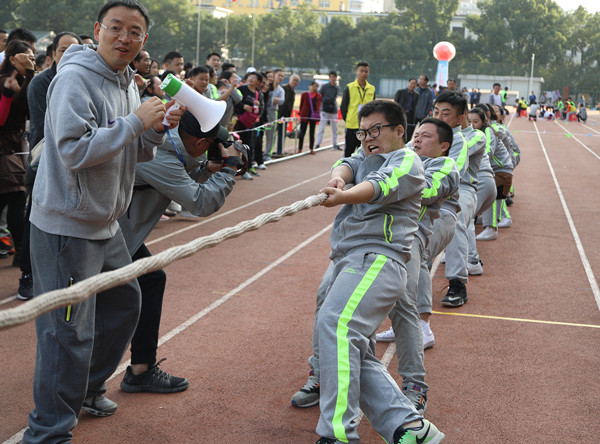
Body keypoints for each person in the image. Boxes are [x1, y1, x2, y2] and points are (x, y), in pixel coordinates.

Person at [23, 1, 183, 442]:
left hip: (106, 222)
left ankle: (87, 388)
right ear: (98, 30)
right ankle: (48, 431)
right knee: (66, 332)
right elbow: (73, 151)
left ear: (144, 39)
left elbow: (135, 151)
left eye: (135, 31)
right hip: (66, 225)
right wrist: (135, 122)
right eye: (116, 28)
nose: (124, 38)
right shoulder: (74, 78)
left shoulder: (128, 82)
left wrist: (152, 129)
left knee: (124, 303)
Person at [312, 99, 444, 444]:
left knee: (337, 325)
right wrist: (338, 180)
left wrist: (343, 197)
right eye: (363, 131)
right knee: (351, 345)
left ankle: (337, 434)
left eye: (376, 130)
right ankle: (408, 428)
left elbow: (381, 185)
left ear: (399, 131)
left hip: (378, 259)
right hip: (351, 260)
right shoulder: (365, 156)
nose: (368, 137)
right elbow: (347, 164)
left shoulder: (407, 161)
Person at [118, 113, 240, 393]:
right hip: (101, 232)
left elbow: (180, 178)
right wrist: (230, 168)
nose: (214, 147)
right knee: (109, 298)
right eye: (212, 143)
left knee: (149, 279)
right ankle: (85, 379)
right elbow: (199, 202)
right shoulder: (160, 153)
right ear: (199, 142)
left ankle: (140, 369)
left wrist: (208, 169)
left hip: (116, 230)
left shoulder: (171, 142)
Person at [376, 118, 460, 415]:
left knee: (409, 282)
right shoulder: (400, 158)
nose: (417, 140)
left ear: (443, 145)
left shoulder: (445, 165)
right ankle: (323, 373)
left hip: (424, 229)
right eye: (415, 135)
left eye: (425, 137)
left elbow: (424, 191)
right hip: (388, 231)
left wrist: (394, 178)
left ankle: (416, 376)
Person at [19, 32, 82, 300]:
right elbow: (50, 127)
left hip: (75, 162)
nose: (69, 53)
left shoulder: (82, 80)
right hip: (43, 160)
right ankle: (27, 274)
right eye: (63, 49)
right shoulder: (40, 83)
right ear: (53, 54)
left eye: (75, 49)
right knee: (36, 218)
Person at [0, 40, 35, 276]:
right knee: (15, 195)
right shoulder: (4, 82)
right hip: (4, 150)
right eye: (26, 56)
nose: (31, 60)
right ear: (13, 59)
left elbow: (33, 107)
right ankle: (22, 252)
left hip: (14, 148)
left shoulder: (21, 82)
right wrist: (8, 95)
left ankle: (22, 252)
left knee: (12, 197)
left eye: (33, 57)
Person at [340, 61, 375, 157]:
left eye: (366, 71)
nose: (364, 73)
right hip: (352, 126)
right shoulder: (349, 87)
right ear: (357, 72)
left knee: (366, 153)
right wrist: (348, 119)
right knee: (349, 152)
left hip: (366, 127)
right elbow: (343, 107)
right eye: (361, 71)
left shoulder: (372, 89)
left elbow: (373, 108)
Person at [316, 71, 340, 150]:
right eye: (331, 77)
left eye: (334, 77)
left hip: (334, 110)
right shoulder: (324, 87)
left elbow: (334, 98)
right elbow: (319, 96)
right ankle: (317, 144)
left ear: (336, 78)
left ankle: (335, 144)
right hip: (324, 110)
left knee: (335, 128)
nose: (332, 78)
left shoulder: (337, 87)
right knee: (321, 127)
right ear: (329, 78)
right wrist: (326, 101)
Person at [277, 73, 299, 156]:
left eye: (297, 81)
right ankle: (276, 151)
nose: (295, 82)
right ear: (290, 80)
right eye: (294, 80)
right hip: (279, 115)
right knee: (277, 134)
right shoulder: (283, 88)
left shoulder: (294, 92)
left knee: (282, 134)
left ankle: (280, 150)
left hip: (286, 116)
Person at [298, 80, 321, 154]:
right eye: (313, 86)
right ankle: (300, 148)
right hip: (305, 115)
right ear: (309, 86)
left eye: (316, 86)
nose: (314, 88)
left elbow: (319, 105)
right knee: (302, 132)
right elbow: (301, 105)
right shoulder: (304, 94)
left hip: (313, 116)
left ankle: (311, 148)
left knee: (312, 132)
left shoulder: (319, 96)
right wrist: (301, 114)